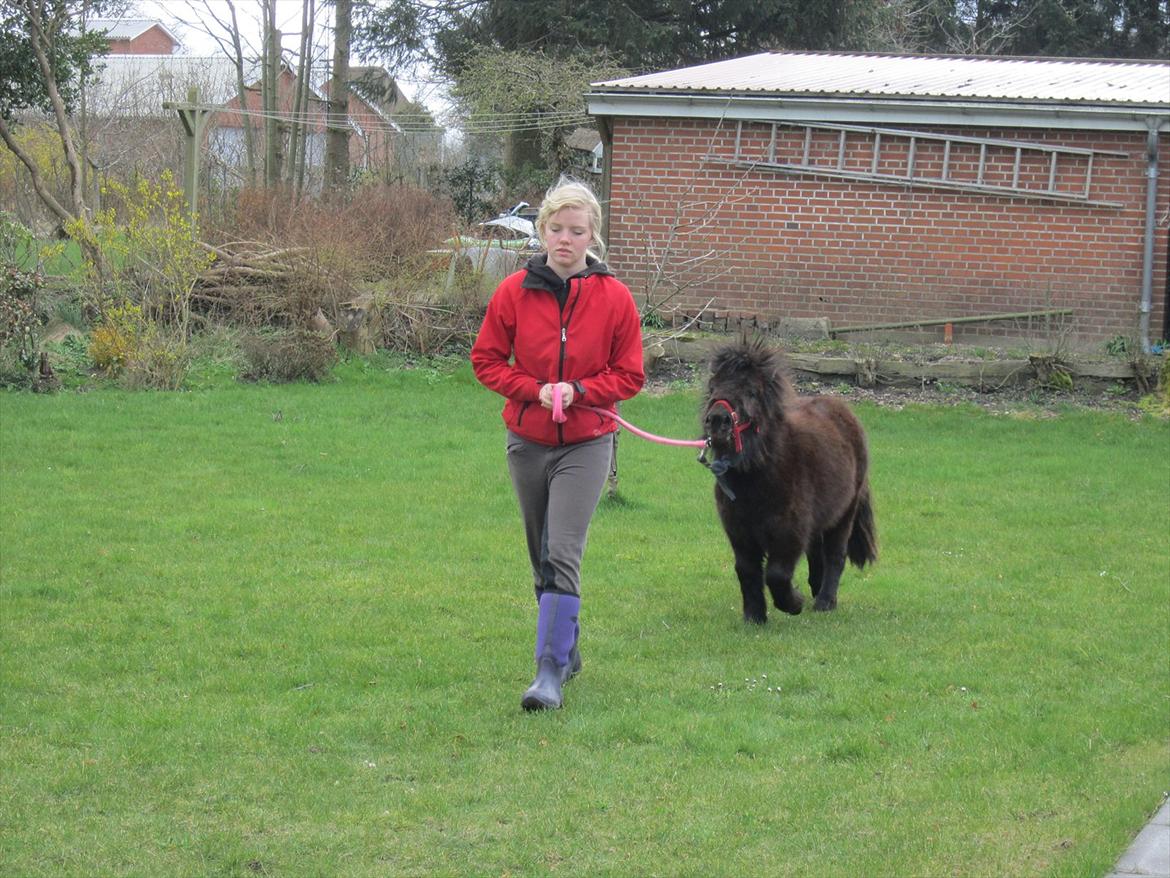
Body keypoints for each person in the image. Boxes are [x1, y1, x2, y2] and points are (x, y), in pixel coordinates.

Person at [471, 178, 645, 711]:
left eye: (577, 230)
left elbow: (630, 375)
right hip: (527, 440)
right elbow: (486, 361)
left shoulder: (614, 297)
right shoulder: (514, 292)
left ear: (592, 234)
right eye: (556, 228)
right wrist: (537, 390)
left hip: (587, 444)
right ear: (543, 230)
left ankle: (547, 673)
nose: (565, 239)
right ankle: (566, 650)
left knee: (562, 551)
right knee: (539, 557)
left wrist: (580, 390)